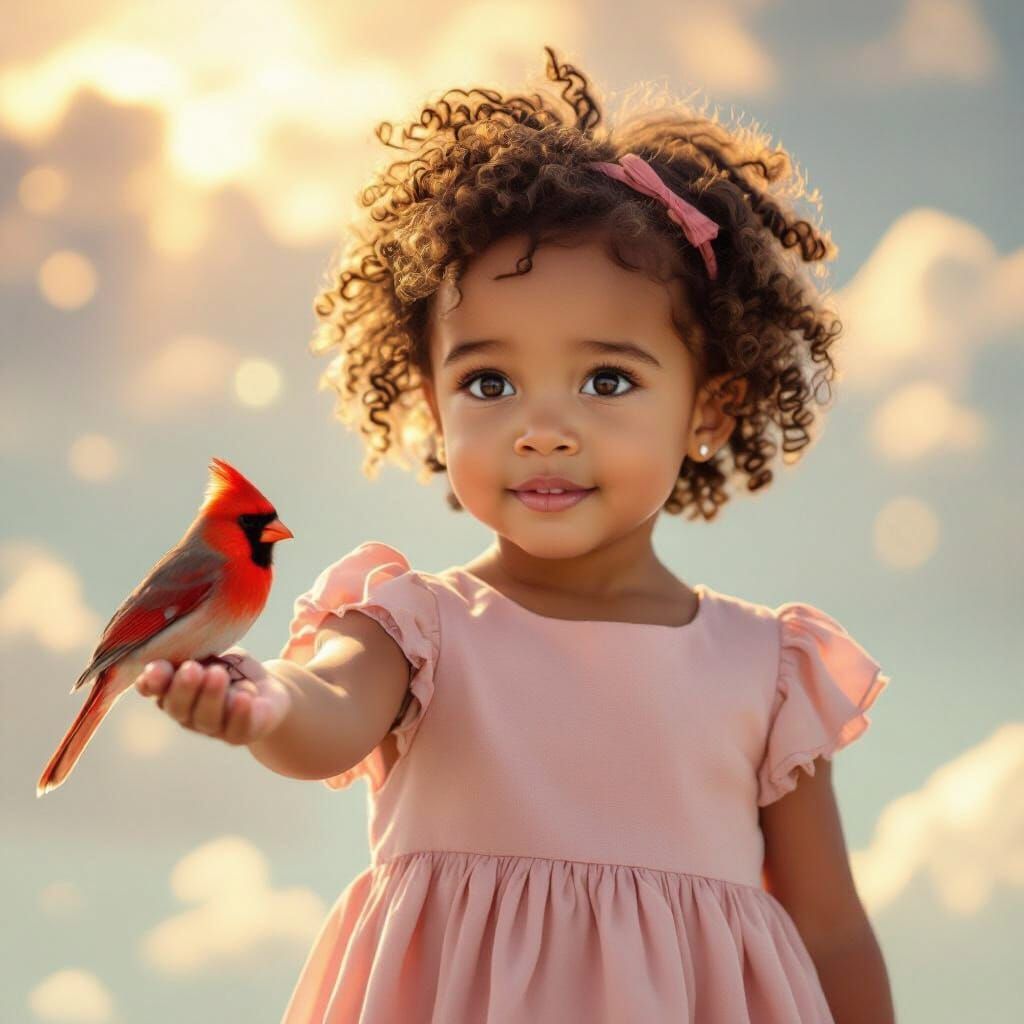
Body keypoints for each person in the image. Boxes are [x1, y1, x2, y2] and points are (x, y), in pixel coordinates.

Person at [135, 46, 896, 1024]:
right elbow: (327, 705)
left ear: (712, 405)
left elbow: (829, 930)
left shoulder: (769, 670)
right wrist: (264, 699)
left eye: (607, 380)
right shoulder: (412, 625)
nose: (542, 426)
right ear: (430, 403)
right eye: (489, 384)